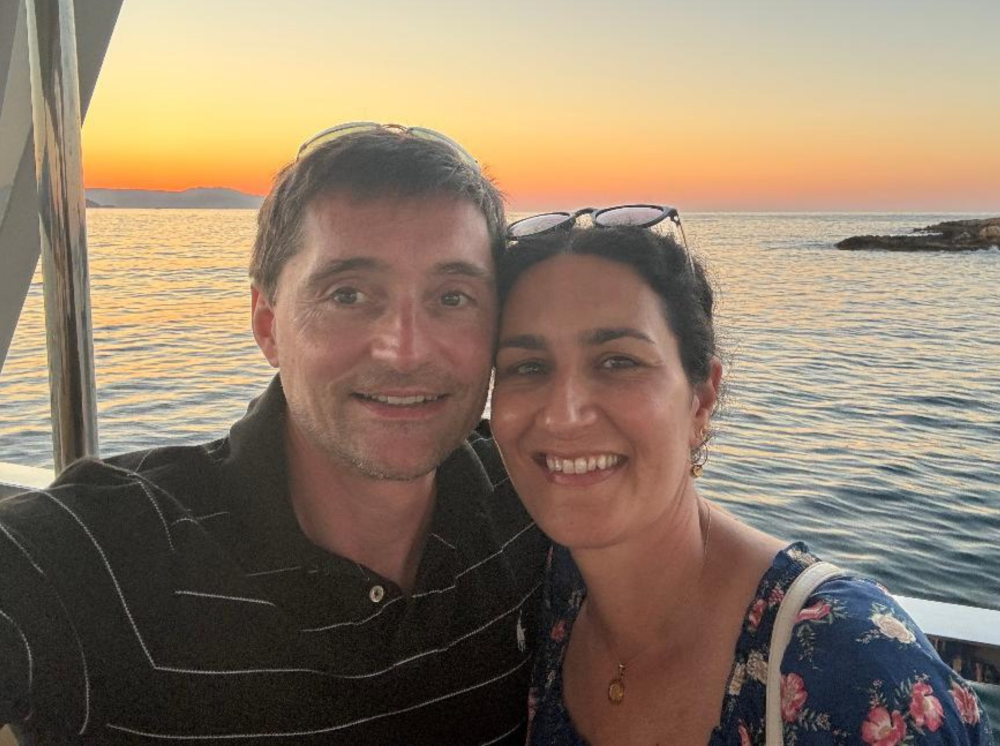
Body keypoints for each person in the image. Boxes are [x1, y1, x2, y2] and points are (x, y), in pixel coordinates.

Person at [0, 124, 548, 743]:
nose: (405, 349)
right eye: (348, 294)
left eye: (452, 297)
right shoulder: (113, 556)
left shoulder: (531, 503)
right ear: (267, 325)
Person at [489, 208, 993, 745]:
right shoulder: (545, 590)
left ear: (701, 399)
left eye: (618, 361)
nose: (564, 414)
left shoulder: (855, 670)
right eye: (528, 367)